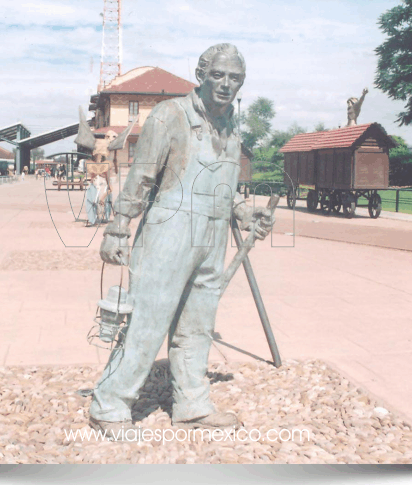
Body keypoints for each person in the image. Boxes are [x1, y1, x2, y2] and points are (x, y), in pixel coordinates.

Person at [89, 43, 275, 438]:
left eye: (235, 78)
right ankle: (110, 404)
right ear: (201, 74)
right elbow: (141, 176)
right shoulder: (169, 116)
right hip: (168, 231)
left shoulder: (232, 128)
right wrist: (118, 226)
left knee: (198, 324)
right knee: (147, 321)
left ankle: (192, 403)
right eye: (219, 75)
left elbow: (227, 186)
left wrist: (244, 210)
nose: (227, 85)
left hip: (212, 236)